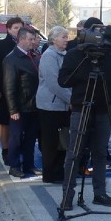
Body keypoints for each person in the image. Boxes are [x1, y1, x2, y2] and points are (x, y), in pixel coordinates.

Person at [59, 18, 111, 209]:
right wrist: (86, 70)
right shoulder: (74, 55)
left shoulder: (110, 55)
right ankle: (67, 197)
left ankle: (100, 193)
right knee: (74, 153)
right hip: (81, 109)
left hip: (104, 109)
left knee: (100, 153)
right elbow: (63, 81)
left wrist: (108, 78)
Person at [3, 26, 41, 178]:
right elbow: (9, 87)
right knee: (16, 138)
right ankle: (14, 165)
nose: (33, 42)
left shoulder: (33, 56)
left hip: (34, 105)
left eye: (34, 39)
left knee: (31, 139)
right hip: (20, 106)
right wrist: (13, 110)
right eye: (30, 39)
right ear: (21, 39)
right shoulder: (11, 59)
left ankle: (28, 165)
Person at [36, 26, 72, 183]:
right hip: (50, 106)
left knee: (63, 140)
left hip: (63, 105)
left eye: (67, 37)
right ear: (54, 39)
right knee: (50, 141)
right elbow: (54, 83)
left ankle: (59, 171)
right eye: (63, 37)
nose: (67, 40)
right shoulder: (49, 56)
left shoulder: (64, 55)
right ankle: (50, 174)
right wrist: (71, 99)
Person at [0, 16, 24, 164]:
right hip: (3, 89)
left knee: (19, 121)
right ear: (8, 29)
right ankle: (6, 150)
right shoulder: (1, 46)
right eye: (15, 28)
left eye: (21, 28)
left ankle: (16, 148)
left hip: (21, 91)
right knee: (4, 122)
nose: (18, 31)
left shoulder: (26, 44)